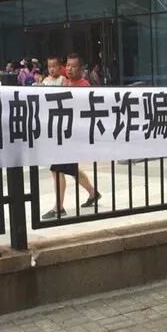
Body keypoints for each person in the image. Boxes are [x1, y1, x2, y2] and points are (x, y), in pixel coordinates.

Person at [42, 53, 101, 220]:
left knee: (57, 169)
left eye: (73, 66)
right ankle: (93, 193)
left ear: (81, 69)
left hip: (72, 136)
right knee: (71, 169)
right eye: (67, 65)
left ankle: (59, 207)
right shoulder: (64, 82)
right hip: (62, 133)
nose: (69, 69)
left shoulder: (84, 86)